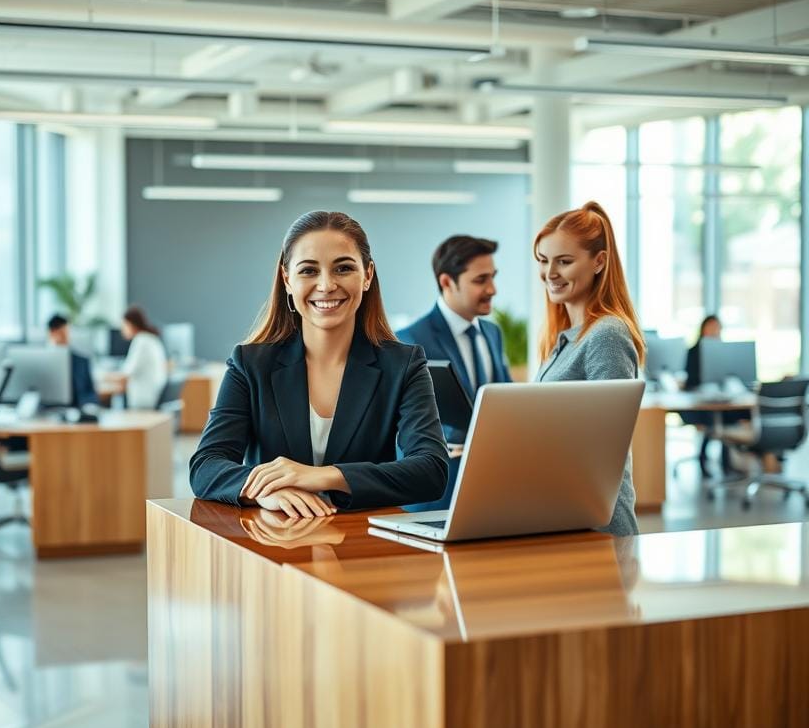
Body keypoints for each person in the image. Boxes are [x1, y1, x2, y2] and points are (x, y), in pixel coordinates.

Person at [189, 210, 449, 517]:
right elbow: (206, 464)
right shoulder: (251, 364)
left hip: (365, 547)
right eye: (309, 271)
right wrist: (265, 490)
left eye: (343, 268)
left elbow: (431, 469)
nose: (326, 285)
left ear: (367, 275)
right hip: (275, 543)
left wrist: (325, 476)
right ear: (287, 280)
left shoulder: (403, 365)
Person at [533, 201, 645, 537]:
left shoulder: (606, 334)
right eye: (543, 260)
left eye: (564, 262)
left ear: (599, 262)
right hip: (566, 515)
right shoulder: (565, 338)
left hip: (598, 526)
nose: (550, 273)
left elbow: (606, 445)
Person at [396, 235, 511, 511]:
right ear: (447, 282)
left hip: (490, 490)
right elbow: (402, 423)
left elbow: (504, 400)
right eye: (480, 280)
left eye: (493, 277)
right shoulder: (411, 339)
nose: (492, 289)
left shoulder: (492, 333)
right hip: (437, 494)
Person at [681, 314, 747, 477]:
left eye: (717, 328)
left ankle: (726, 462)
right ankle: (703, 459)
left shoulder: (724, 351)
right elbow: (691, 381)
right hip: (700, 401)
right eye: (711, 327)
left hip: (722, 398)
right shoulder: (694, 352)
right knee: (712, 419)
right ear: (703, 329)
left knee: (728, 416)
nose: (714, 331)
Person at [106, 305, 167, 409]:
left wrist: (103, 376)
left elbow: (126, 373)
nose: (122, 329)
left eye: (124, 325)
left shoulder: (141, 341)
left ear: (131, 324)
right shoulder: (150, 338)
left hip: (144, 400)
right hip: (153, 395)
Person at [47, 314, 99, 408]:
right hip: (47, 414)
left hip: (77, 412)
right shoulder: (42, 362)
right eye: (62, 334)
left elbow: (91, 393)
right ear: (51, 333)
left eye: (67, 333)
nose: (66, 337)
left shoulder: (82, 361)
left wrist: (89, 408)